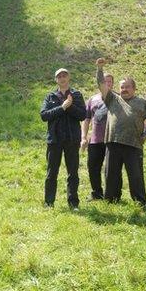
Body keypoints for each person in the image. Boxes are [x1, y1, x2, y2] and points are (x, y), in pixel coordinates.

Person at [95, 58, 146, 206]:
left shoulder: (143, 102)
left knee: (136, 175)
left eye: (127, 87)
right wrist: (99, 69)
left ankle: (140, 202)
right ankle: (112, 200)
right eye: (122, 87)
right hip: (113, 141)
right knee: (111, 174)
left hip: (134, 143)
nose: (124, 89)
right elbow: (101, 85)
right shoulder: (112, 99)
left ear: (134, 88)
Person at [39, 68, 86, 209]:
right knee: (51, 173)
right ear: (56, 80)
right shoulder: (50, 96)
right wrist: (63, 107)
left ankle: (73, 203)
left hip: (72, 140)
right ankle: (49, 203)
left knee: (73, 173)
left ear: (69, 77)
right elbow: (44, 115)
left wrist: (70, 106)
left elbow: (83, 115)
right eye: (59, 76)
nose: (62, 78)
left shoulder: (76, 95)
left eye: (64, 75)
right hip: (54, 140)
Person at [81, 72, 114, 201]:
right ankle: (97, 193)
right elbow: (86, 119)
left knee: (111, 169)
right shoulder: (92, 99)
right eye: (104, 81)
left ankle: (111, 195)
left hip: (112, 140)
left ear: (112, 83)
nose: (106, 83)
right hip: (95, 140)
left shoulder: (117, 98)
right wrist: (84, 137)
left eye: (109, 81)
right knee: (93, 167)